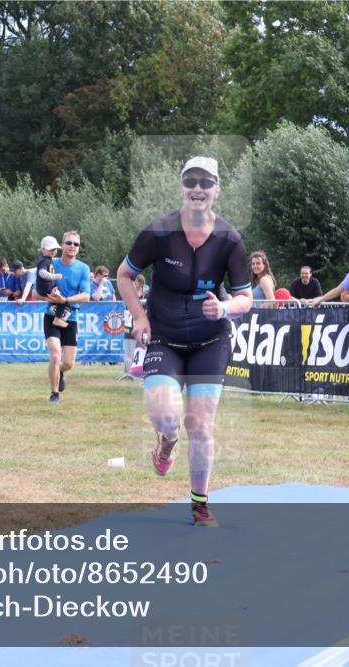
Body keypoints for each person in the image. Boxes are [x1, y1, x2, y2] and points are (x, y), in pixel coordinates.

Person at [116, 156, 252, 527]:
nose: (198, 188)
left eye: (205, 183)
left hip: (211, 341)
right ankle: (166, 440)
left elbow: (246, 297)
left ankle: (200, 503)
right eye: (191, 181)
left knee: (201, 424)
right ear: (181, 188)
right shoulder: (157, 233)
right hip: (164, 337)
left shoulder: (229, 240)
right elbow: (125, 275)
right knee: (165, 416)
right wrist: (140, 317)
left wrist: (224, 308)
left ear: (216, 190)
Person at [43, 231, 90, 404]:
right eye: (69, 243)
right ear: (62, 245)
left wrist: (66, 300)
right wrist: (50, 296)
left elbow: (86, 296)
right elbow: (36, 292)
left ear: (78, 248)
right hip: (52, 316)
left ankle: (59, 372)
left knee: (68, 363)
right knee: (55, 354)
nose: (72, 246)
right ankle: (54, 394)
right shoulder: (51, 264)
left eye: (76, 244)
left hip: (71, 317)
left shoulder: (83, 268)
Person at [36, 236, 70, 327]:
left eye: (55, 249)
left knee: (60, 300)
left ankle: (56, 316)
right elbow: (41, 273)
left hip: (47, 287)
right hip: (45, 288)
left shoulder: (48, 259)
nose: (54, 251)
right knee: (63, 301)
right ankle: (57, 319)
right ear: (43, 250)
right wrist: (55, 276)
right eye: (50, 249)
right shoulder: (44, 261)